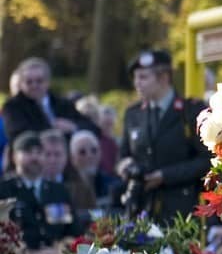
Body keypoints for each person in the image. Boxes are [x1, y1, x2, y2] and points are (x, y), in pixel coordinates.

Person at [116, 48, 210, 221]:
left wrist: (165, 176)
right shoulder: (134, 114)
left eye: (143, 77)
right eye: (135, 78)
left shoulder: (190, 111)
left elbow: (206, 160)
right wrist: (125, 166)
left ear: (164, 78)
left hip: (180, 211)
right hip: (141, 208)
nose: (137, 83)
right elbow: (123, 155)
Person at [0, 131, 81, 251]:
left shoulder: (58, 190)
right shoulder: (4, 190)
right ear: (14, 157)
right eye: (28, 152)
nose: (35, 157)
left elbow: (72, 230)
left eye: (39, 152)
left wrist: (63, 247)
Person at [1, 57, 99, 143]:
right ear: (21, 84)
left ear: (48, 82)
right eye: (29, 82)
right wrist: (52, 129)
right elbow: (17, 133)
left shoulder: (62, 103)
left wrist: (73, 127)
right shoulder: (12, 106)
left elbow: (93, 128)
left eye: (39, 81)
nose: (34, 85)